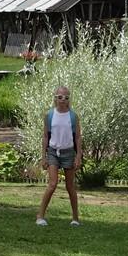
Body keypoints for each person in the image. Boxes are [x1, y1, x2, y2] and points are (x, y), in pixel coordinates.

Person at [37, 86, 84, 227]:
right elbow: (45, 136)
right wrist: (43, 156)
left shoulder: (73, 116)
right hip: (53, 151)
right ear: (55, 98)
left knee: (70, 186)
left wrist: (78, 156)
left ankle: (75, 218)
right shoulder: (50, 115)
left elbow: (77, 138)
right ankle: (40, 215)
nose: (63, 100)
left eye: (66, 97)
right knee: (52, 184)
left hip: (68, 152)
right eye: (60, 97)